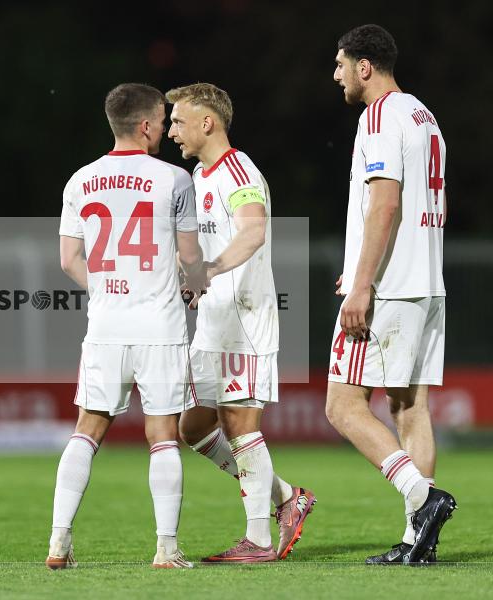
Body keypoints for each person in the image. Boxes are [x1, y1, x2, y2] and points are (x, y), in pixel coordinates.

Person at [48, 83, 206, 570]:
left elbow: (68, 259)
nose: (166, 126)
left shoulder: (80, 180)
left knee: (86, 431)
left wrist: (103, 290)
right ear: (144, 126)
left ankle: (58, 542)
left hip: (106, 325)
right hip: (158, 326)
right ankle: (166, 548)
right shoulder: (175, 179)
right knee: (162, 435)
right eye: (163, 119)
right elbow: (190, 256)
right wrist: (194, 285)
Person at [167, 83, 315, 563]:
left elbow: (253, 230)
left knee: (239, 424)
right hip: (212, 320)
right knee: (192, 428)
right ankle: (286, 497)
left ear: (207, 122)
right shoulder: (199, 174)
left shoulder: (239, 170)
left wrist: (211, 270)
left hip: (244, 317)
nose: (171, 131)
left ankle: (258, 540)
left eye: (178, 121)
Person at [327, 24, 456, 565]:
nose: (335, 76)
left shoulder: (378, 116)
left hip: (389, 289)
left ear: (364, 67)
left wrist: (362, 283)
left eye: (339, 65)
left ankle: (422, 499)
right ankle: (416, 542)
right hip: (427, 282)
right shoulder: (425, 116)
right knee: (410, 409)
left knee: (342, 406)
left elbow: (385, 204)